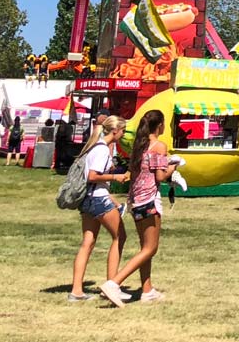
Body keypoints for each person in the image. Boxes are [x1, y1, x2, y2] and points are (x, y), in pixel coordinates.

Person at [103, 110, 174, 304]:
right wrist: (173, 167)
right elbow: (160, 176)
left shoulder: (138, 147)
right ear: (159, 125)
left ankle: (147, 289)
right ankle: (114, 283)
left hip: (135, 200)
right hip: (150, 200)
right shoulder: (159, 146)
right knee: (151, 248)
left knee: (145, 247)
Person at [70, 116, 130, 305]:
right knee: (119, 237)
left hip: (88, 200)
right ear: (115, 131)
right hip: (98, 200)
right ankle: (112, 285)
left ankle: (76, 291)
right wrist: (115, 177)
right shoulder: (102, 149)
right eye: (123, 130)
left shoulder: (95, 147)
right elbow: (93, 176)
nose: (124, 134)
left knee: (88, 242)